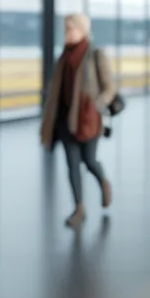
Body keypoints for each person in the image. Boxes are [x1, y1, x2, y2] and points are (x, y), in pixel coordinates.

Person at [39, 13, 115, 229]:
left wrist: (96, 105)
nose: (66, 33)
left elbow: (109, 87)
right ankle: (79, 208)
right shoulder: (63, 58)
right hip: (65, 121)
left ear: (82, 30)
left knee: (89, 160)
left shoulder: (95, 55)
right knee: (72, 164)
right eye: (65, 29)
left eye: (70, 29)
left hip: (88, 120)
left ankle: (103, 182)